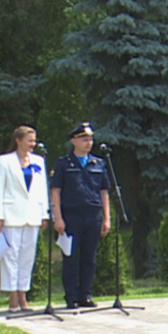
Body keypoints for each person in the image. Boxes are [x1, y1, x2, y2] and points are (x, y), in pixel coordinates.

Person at [49, 122, 111, 309]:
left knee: (89, 258)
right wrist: (57, 217)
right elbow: (56, 191)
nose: (88, 142)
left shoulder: (98, 163)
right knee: (71, 258)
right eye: (84, 139)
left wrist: (107, 218)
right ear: (74, 141)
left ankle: (86, 294)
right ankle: (72, 296)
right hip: (71, 216)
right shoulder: (63, 164)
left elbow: (104, 193)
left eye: (90, 139)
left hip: (92, 216)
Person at [0, 125, 49, 312]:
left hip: (32, 215)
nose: (33, 144)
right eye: (29, 140)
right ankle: (13, 298)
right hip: (11, 215)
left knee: (27, 257)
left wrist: (44, 214)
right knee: (11, 256)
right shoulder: (5, 161)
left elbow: (42, 190)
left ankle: (24, 295)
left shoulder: (38, 161)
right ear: (18, 140)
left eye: (34, 140)